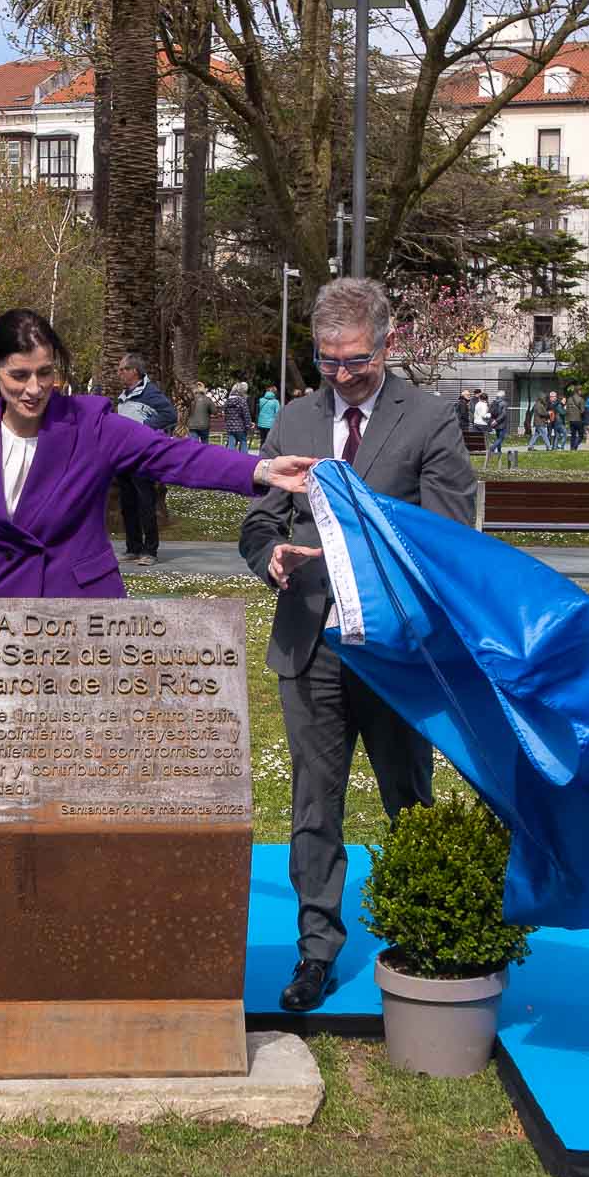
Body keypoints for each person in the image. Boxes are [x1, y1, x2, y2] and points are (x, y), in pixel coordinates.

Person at [238, 277, 479, 1013]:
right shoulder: (295, 421)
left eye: (356, 362)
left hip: (399, 652)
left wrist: (358, 564)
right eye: (328, 361)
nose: (341, 376)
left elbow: (448, 538)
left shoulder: (432, 420)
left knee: (409, 795)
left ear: (387, 343)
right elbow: (257, 521)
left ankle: (422, 932)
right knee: (315, 804)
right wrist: (271, 556)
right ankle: (315, 952)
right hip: (309, 645)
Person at [0, 309, 313, 597]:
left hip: (86, 618)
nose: (34, 388)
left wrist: (261, 469)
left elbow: (174, 455)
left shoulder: (91, 424)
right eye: (19, 375)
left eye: (45, 372)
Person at [113, 352, 180, 566]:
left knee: (145, 503)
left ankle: (150, 551)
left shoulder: (150, 393)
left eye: (122, 369)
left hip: (142, 456)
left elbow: (170, 415)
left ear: (134, 371)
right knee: (127, 504)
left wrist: (143, 427)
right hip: (123, 456)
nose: (119, 373)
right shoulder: (124, 394)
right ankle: (133, 548)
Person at [225, 381, 252, 451]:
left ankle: (230, 459)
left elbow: (226, 414)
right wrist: (248, 425)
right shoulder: (242, 401)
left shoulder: (228, 401)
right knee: (243, 442)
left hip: (230, 427)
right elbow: (246, 414)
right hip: (240, 427)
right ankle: (244, 459)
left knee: (231, 443)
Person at [486, 390, 508, 454]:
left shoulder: (493, 402)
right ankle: (492, 448)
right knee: (501, 438)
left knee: (498, 437)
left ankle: (499, 451)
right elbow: (503, 414)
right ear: (503, 396)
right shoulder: (504, 403)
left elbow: (490, 412)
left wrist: (493, 421)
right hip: (501, 423)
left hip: (495, 423)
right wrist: (497, 421)